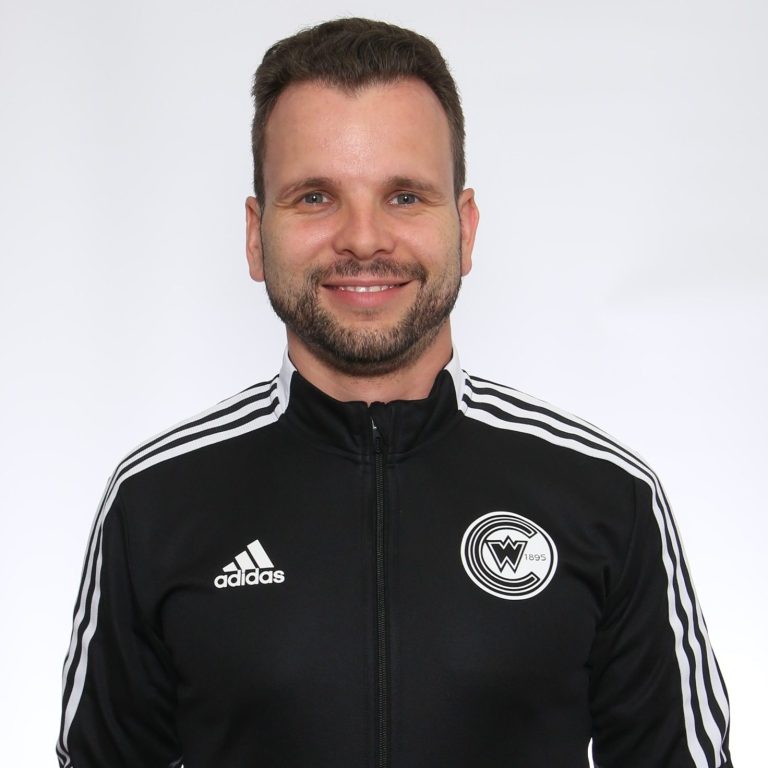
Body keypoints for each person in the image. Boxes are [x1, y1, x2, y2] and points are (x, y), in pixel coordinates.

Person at [57, 17, 732, 768]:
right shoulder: (156, 504)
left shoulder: (607, 497)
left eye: (405, 196)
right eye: (315, 196)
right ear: (255, 234)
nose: (363, 238)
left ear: (465, 229)